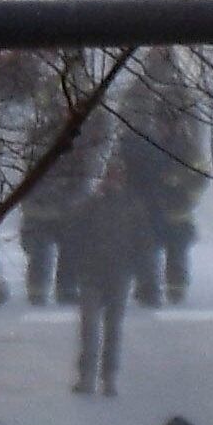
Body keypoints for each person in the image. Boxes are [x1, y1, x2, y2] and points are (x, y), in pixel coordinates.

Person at [62, 141, 168, 396]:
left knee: (112, 330)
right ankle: (87, 377)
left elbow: (145, 246)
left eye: (118, 176)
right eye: (110, 175)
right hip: (91, 273)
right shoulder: (90, 205)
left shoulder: (133, 207)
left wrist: (147, 281)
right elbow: (72, 234)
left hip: (119, 274)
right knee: (89, 329)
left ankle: (108, 378)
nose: (113, 180)